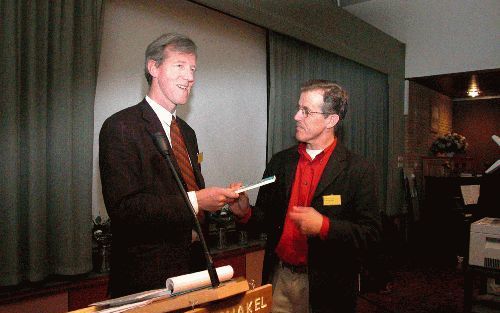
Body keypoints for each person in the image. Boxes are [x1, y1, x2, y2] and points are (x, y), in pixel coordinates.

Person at [99, 33, 240, 297]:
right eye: (180, 66)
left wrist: (220, 200)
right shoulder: (120, 127)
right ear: (153, 68)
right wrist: (197, 201)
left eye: (193, 69)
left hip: (194, 270)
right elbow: (125, 209)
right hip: (147, 279)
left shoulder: (187, 132)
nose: (190, 77)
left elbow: (187, 192)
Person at [230, 80, 382, 313]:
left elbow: (370, 235)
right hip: (279, 277)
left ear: (331, 120)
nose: (296, 116)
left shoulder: (358, 170)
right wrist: (246, 212)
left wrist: (324, 226)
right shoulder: (280, 162)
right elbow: (269, 219)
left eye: (306, 111)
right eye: (298, 108)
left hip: (327, 287)